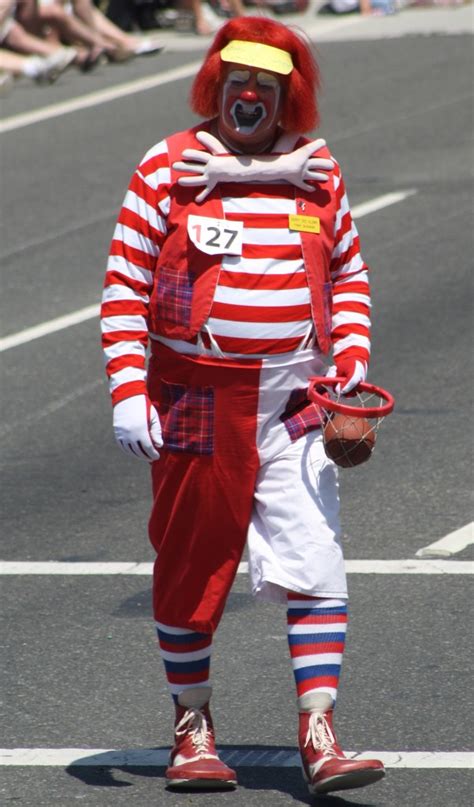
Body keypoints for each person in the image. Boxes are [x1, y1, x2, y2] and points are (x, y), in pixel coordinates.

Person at [101, 16, 385, 797]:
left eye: (265, 83)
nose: (249, 94)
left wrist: (351, 358)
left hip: (297, 398)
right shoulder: (168, 167)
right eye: (237, 81)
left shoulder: (318, 171)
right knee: (193, 565)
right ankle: (192, 727)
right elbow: (125, 284)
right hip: (197, 395)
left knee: (318, 560)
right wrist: (129, 388)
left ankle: (319, 731)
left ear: (287, 96)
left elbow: (351, 275)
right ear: (215, 87)